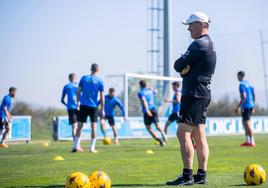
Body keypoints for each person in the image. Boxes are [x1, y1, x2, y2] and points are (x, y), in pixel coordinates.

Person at [166, 12, 216, 186]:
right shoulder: (210, 44)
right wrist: (187, 68)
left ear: (200, 24)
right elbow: (183, 68)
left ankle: (187, 176)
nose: (188, 29)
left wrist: (185, 68)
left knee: (182, 133)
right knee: (199, 134)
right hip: (203, 93)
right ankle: (201, 175)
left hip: (194, 94)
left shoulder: (198, 44)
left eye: (190, 25)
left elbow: (178, 65)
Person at [72, 63, 105, 153]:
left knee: (79, 126)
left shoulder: (83, 78)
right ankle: (92, 148)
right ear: (98, 70)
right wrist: (103, 109)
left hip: (83, 105)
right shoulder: (100, 81)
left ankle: (75, 146)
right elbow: (102, 97)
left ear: (91, 69)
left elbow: (78, 92)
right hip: (93, 107)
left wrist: (78, 102)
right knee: (94, 127)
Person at [138, 80, 167, 146]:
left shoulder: (140, 92)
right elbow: (155, 92)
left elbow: (143, 100)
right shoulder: (150, 91)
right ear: (146, 85)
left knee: (149, 128)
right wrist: (151, 88)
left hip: (147, 111)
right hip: (154, 109)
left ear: (140, 85)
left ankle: (160, 141)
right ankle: (163, 133)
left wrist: (147, 110)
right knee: (157, 126)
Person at [235, 71, 255, 147]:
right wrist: (253, 105)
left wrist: (238, 107)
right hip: (250, 105)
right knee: (244, 123)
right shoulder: (249, 83)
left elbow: (244, 96)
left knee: (247, 124)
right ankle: (247, 141)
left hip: (246, 106)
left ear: (240, 76)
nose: (237, 78)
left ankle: (252, 141)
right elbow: (254, 94)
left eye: (238, 76)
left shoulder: (241, 84)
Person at [61, 73, 79, 141]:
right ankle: (77, 142)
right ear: (75, 78)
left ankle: (75, 142)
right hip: (80, 108)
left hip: (71, 108)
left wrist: (67, 105)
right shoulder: (79, 86)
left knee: (74, 126)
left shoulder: (66, 86)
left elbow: (62, 100)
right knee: (79, 126)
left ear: (69, 78)